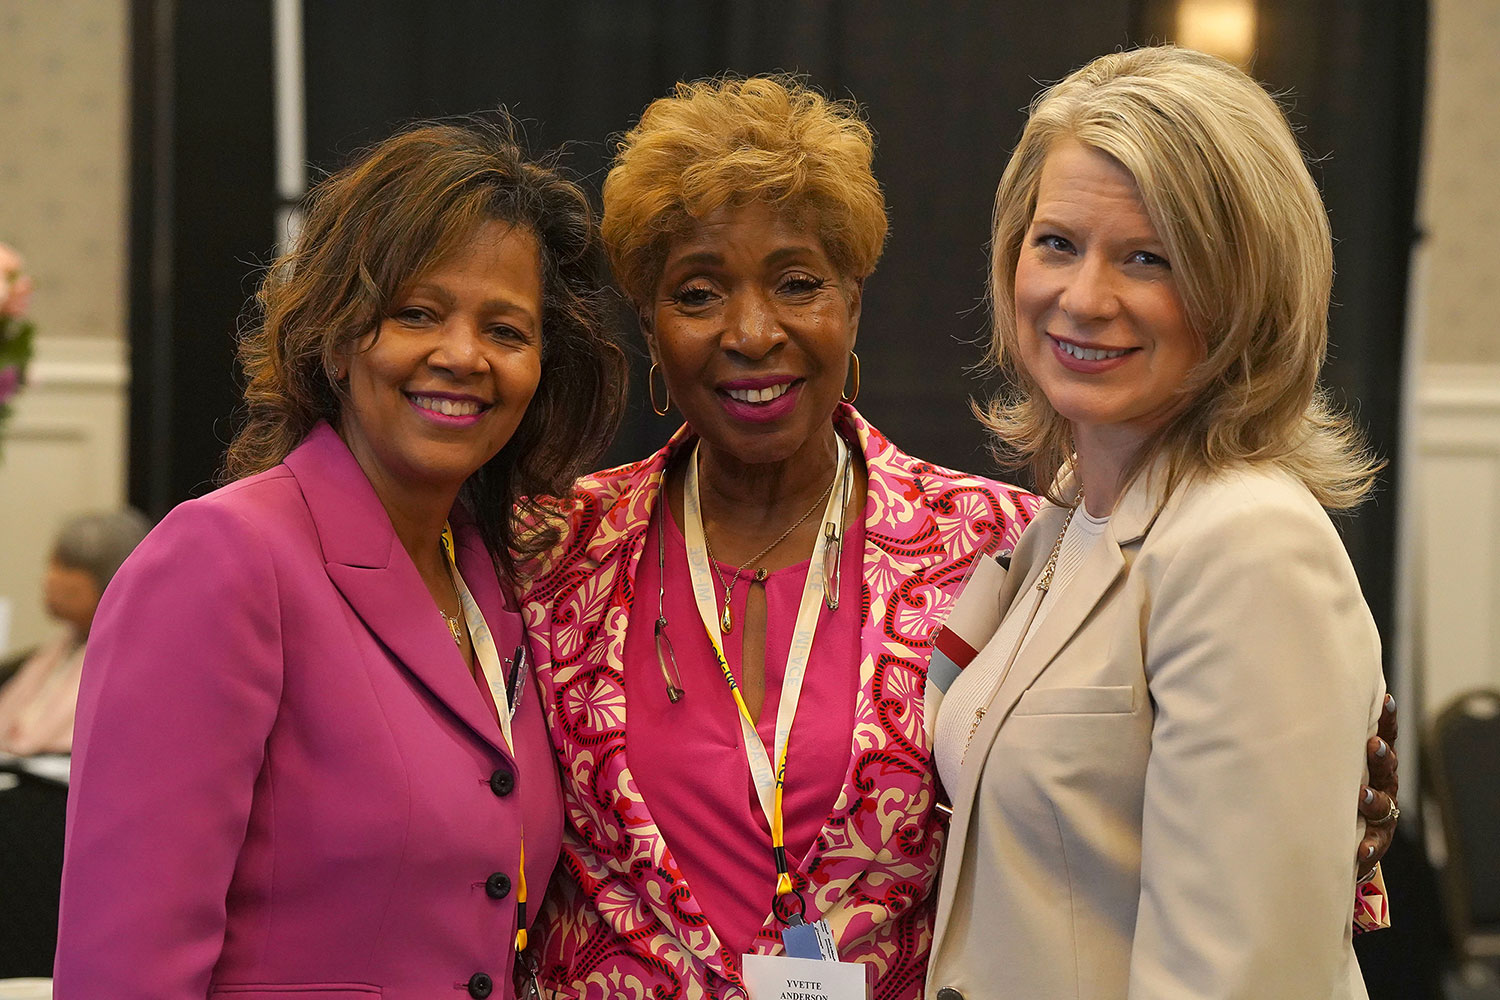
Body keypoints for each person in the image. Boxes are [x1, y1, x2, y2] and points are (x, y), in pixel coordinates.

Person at [518, 76, 1397, 1000]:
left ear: (855, 302)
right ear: (649, 324)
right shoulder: (551, 557)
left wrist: (1344, 814)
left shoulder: (984, 541)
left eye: (798, 283)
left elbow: (1261, 888)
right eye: (698, 293)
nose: (751, 330)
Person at [53, 118, 626, 999]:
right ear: (336, 331)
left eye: (506, 330)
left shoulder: (502, 582)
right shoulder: (223, 560)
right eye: (417, 313)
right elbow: (122, 970)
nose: (463, 356)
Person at [927, 46, 1390, 999]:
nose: (1085, 298)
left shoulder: (1250, 544)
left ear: (1244, 287)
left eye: (1149, 259)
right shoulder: (1068, 516)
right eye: (1057, 243)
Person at [0, 508, 148, 977]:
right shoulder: (50, 652)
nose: (49, 578)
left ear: (108, 580)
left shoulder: (131, 661)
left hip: (55, 820)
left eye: (68, 567)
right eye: (53, 561)